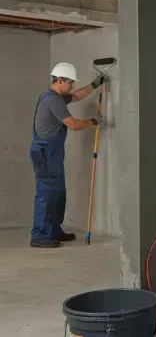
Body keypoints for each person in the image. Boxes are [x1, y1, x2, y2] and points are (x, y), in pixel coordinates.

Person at [30, 62, 104, 248]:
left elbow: (77, 96)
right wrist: (93, 121)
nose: (72, 86)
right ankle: (39, 235)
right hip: (45, 153)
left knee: (57, 193)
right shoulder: (52, 100)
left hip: (52, 154)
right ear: (60, 80)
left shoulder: (57, 97)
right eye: (70, 82)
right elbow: (73, 124)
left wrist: (95, 84)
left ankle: (53, 230)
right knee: (46, 194)